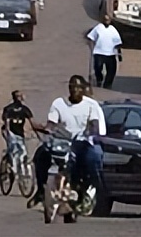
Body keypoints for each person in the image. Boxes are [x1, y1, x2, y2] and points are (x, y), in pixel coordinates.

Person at [29, 75, 105, 211]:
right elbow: (51, 124)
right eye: (71, 87)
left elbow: (94, 125)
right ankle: (41, 191)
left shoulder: (91, 105)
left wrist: (90, 132)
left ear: (83, 89)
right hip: (62, 141)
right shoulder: (58, 103)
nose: (74, 90)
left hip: (81, 142)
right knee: (41, 154)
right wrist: (43, 129)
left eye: (78, 87)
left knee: (92, 158)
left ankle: (87, 189)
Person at [85, 15, 123, 89]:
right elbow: (90, 37)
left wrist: (119, 54)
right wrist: (92, 48)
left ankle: (107, 84)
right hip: (99, 52)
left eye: (108, 20)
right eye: (105, 20)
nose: (106, 21)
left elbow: (118, 43)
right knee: (98, 68)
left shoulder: (113, 29)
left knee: (112, 70)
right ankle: (99, 80)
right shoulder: (98, 28)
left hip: (110, 53)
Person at [1, 90, 34, 163]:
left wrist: (35, 133)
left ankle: (23, 167)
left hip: (20, 133)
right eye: (19, 96)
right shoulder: (8, 109)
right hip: (11, 133)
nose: (21, 98)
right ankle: (10, 165)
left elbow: (32, 123)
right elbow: (6, 123)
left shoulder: (25, 109)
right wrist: (7, 134)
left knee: (23, 152)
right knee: (12, 150)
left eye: (21, 96)